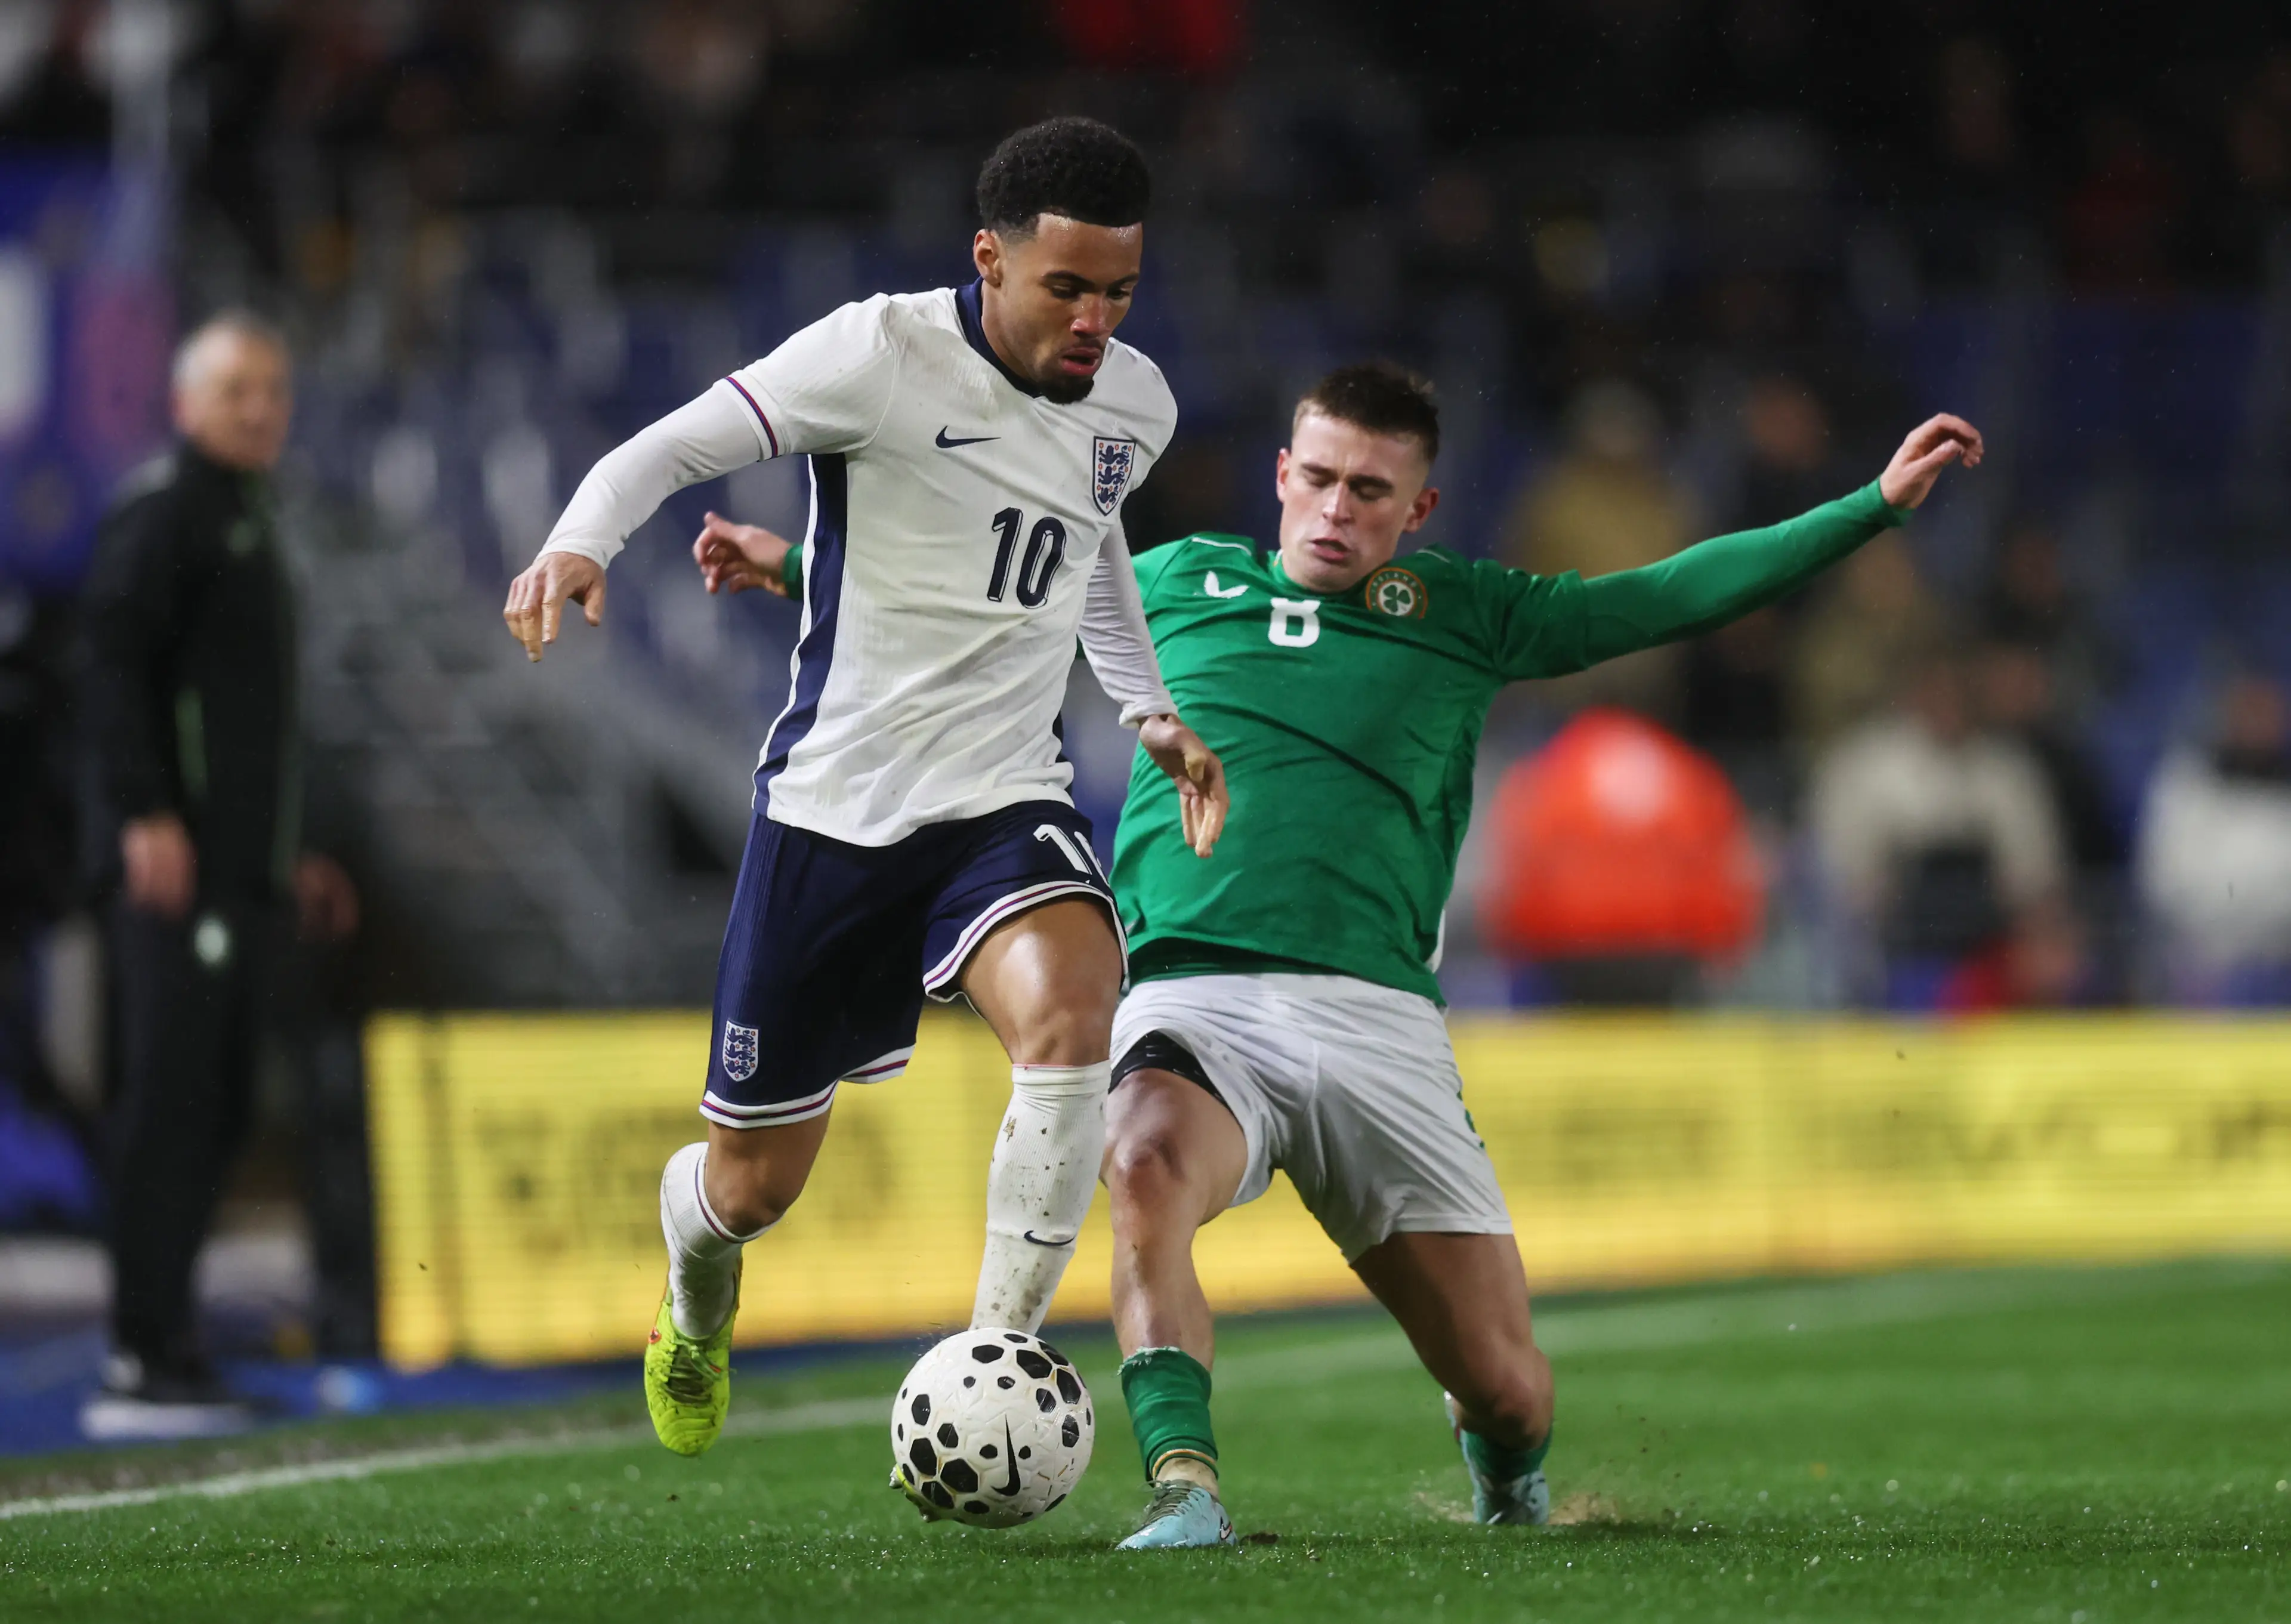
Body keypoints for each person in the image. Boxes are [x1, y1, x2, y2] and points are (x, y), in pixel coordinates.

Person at [1074, 365, 1975, 1547]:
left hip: (1375, 1019)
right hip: (1195, 992)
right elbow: (990, 608)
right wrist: (789, 568)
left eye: (1372, 490)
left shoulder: (1465, 609)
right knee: (1140, 1163)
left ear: (1418, 511)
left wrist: (1870, 507)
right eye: (1324, 479)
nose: (1340, 509)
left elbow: (1668, 595)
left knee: (1506, 1384)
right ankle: (1187, 1488)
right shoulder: (1167, 583)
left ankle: (1508, 1476)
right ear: (1283, 477)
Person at [502, 118, 1230, 1473]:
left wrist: (1148, 712)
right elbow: (666, 446)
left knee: (1076, 1011)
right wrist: (577, 541)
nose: (1094, 319)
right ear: (987, 258)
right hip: (833, 816)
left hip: (1004, 797)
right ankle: (692, 1282)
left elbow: (1087, 554)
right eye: (1065, 287)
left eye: (1118, 291)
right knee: (752, 1185)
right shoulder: (877, 353)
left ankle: (993, 1355)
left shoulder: (1134, 401)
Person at [76, 311, 360, 1436]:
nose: (259, 408)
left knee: (227, 1100)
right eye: (237, 388)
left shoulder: (252, 520)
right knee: (172, 1103)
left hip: (244, 880)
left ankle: (172, 1347)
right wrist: (143, 809)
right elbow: (107, 661)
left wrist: (297, 849)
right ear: (187, 403)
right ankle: (141, 1357)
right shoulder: (169, 512)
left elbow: (253, 726)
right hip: (175, 880)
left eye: (274, 389)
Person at [1808, 647, 2076, 1009]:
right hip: (1887, 942)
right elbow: (1838, 873)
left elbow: (2035, 879)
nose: (1948, 704)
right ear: (1912, 693)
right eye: (1936, 691)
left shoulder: (2008, 771)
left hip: (1988, 947)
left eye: (1957, 693)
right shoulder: (1864, 765)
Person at [2135, 672, 2291, 1005]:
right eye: (2247, 711)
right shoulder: (2184, 784)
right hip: (2195, 964)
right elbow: (2166, 880)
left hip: (2281, 960)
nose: (2257, 726)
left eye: (2266, 713)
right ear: (2227, 716)